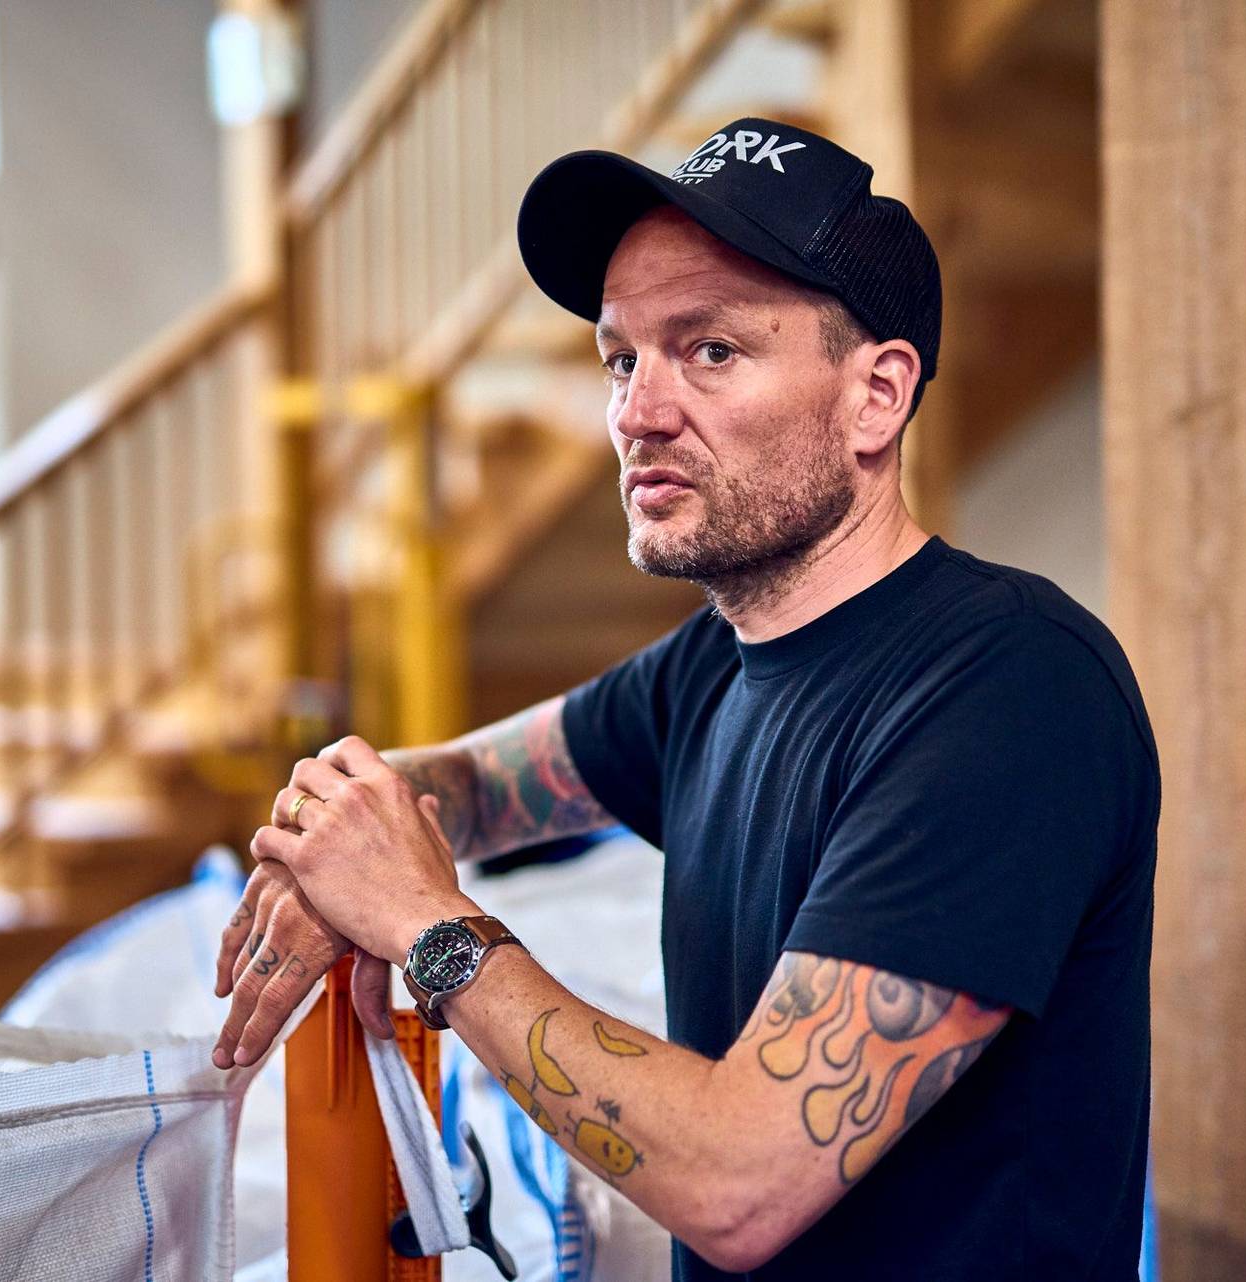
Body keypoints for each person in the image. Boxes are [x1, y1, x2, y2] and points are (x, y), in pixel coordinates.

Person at [212, 117, 1159, 1280]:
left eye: (709, 350)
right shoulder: (715, 663)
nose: (636, 413)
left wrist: (425, 923)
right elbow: (466, 785)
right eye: (623, 358)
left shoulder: (1010, 693)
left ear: (877, 396)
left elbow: (739, 1180)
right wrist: (341, 839)